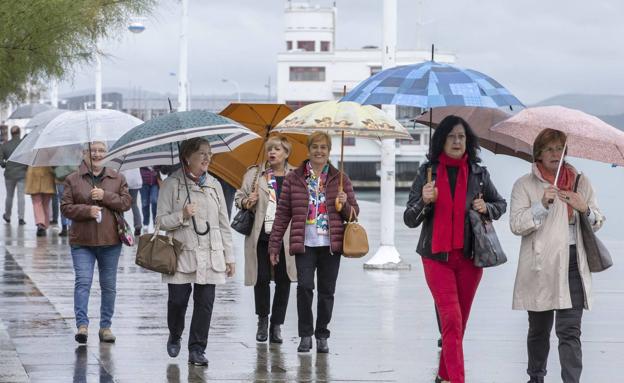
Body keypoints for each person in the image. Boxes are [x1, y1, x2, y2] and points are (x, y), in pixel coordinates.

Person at [403, 115, 506, 383]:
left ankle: (443, 374)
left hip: (471, 259)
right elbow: (409, 219)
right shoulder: (428, 172)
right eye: (451, 136)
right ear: (441, 140)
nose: (457, 141)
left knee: (458, 326)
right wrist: (425, 201)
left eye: (461, 136)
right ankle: (457, 379)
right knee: (451, 319)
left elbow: (500, 204)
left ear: (468, 141)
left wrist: (487, 208)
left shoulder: (479, 173)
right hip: (436, 257)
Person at [510, 129, 604, 383]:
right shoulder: (524, 184)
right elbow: (517, 225)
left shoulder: (580, 181)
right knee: (539, 330)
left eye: (560, 148)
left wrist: (584, 208)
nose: (555, 153)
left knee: (570, 331)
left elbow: (597, 220)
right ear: (538, 153)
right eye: (550, 149)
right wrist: (541, 205)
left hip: (574, 263)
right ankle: (536, 377)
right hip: (540, 266)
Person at [269, 131, 359, 354]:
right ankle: (305, 335)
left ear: (329, 151)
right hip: (305, 243)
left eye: (324, 147)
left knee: (327, 292)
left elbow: (354, 214)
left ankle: (322, 335)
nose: (319, 151)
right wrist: (274, 244)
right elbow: (282, 214)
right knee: (305, 288)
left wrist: (345, 203)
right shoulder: (294, 178)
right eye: (315, 147)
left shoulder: (340, 179)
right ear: (308, 150)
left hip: (331, 245)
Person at [156, 137, 235, 367]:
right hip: (181, 254)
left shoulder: (214, 185)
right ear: (187, 157)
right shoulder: (171, 184)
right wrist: (182, 214)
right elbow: (160, 222)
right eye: (202, 153)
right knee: (178, 301)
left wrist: (229, 257)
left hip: (210, 253)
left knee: (205, 303)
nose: (207, 158)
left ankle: (197, 349)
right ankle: (175, 333)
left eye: (209, 154)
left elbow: (223, 224)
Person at [61, 141, 131, 344]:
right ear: (84, 154)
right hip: (82, 242)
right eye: (93, 151)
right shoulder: (72, 179)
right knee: (83, 282)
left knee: (108, 286)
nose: (97, 154)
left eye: (102, 150)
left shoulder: (117, 177)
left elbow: (126, 203)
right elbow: (65, 208)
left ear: (108, 154)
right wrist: (86, 210)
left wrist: (105, 196)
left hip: (110, 241)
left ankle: (106, 327)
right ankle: (82, 326)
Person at [235, 135, 297, 344]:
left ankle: (276, 325)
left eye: (277, 149)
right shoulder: (255, 174)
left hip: (285, 238)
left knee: (284, 280)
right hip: (261, 236)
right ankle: (262, 320)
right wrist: (246, 201)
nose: (272, 153)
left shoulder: (296, 175)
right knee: (261, 279)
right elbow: (238, 197)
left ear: (286, 153)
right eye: (270, 149)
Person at [0, 126, 28, 225]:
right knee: (21, 196)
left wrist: (4, 165)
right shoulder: (23, 145)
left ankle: (7, 216)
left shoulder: (5, 145)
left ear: (11, 134)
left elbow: (1, 161)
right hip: (22, 173)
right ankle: (21, 218)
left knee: (9, 196)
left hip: (9, 174)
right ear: (19, 133)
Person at [25, 166, 56, 236]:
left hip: (33, 177)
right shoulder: (50, 155)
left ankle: (40, 224)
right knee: (45, 205)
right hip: (47, 177)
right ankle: (43, 225)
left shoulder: (31, 155)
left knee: (37, 203)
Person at [53, 166, 78, 236]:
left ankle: (64, 226)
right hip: (74, 179)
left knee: (63, 203)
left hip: (61, 180)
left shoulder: (56, 155)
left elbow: (52, 165)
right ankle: (71, 225)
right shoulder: (76, 155)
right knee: (72, 202)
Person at [122, 168, 143, 236]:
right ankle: (138, 225)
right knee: (134, 204)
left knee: (121, 204)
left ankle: (121, 226)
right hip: (135, 181)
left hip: (124, 181)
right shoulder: (135, 157)